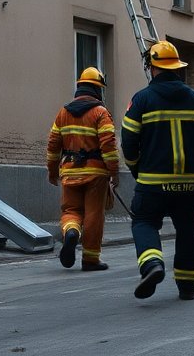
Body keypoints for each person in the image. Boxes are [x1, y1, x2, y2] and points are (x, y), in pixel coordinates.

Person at [121, 40, 194, 301]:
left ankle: (152, 264)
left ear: (152, 67)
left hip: (153, 180)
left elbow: (129, 141)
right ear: (177, 68)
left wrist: (136, 169)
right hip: (190, 182)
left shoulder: (141, 100)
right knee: (187, 228)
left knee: (144, 222)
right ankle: (188, 287)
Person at [46, 67, 120, 271]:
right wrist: (114, 173)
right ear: (98, 90)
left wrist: (52, 171)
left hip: (69, 171)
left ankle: (71, 232)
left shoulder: (63, 112)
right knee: (94, 214)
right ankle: (90, 259)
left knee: (71, 210)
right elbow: (108, 146)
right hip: (95, 174)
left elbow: (53, 145)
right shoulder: (100, 112)